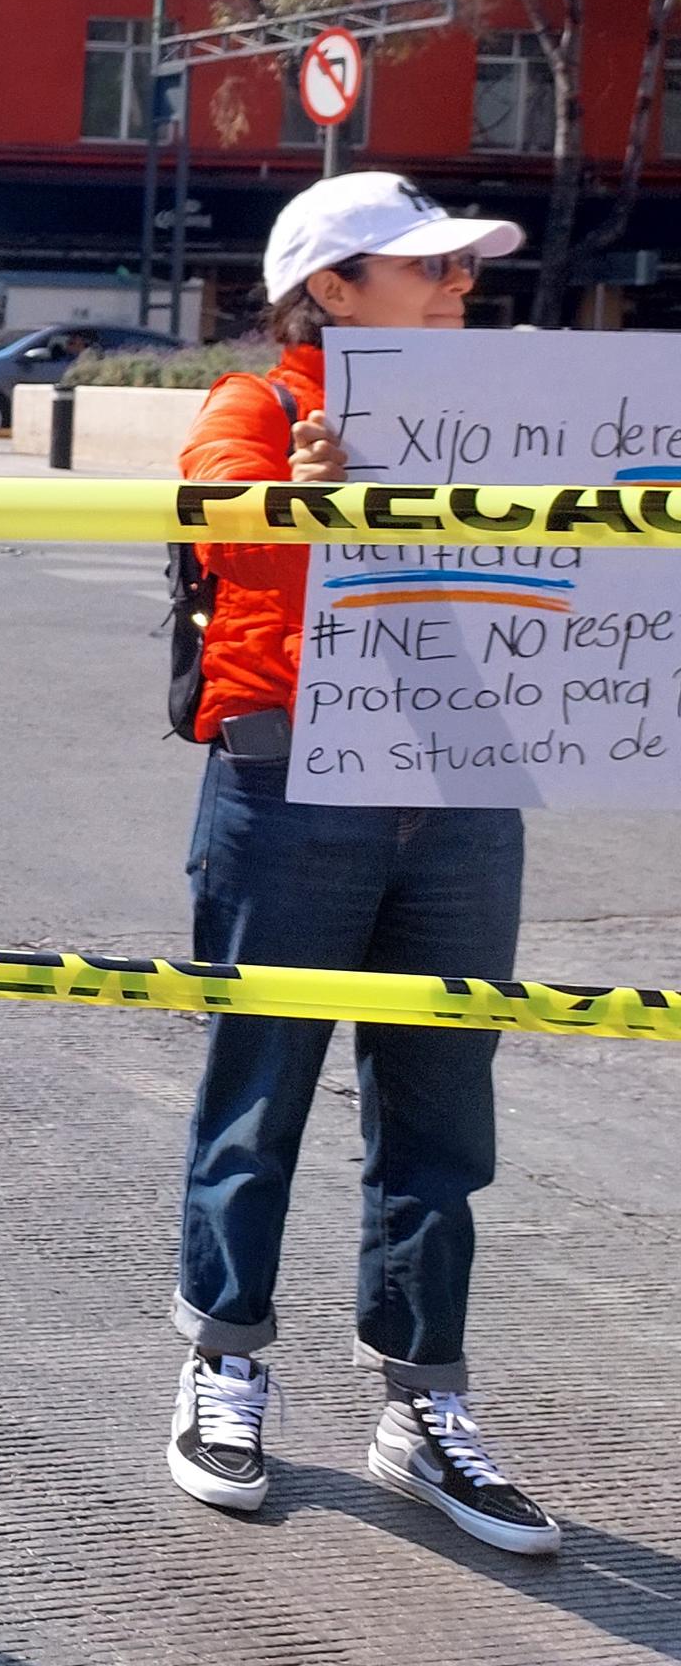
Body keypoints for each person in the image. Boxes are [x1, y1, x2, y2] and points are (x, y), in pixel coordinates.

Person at [161, 171, 555, 1553]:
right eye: (427, 269)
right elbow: (211, 504)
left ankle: (423, 1401)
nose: (460, 288)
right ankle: (225, 1361)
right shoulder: (257, 410)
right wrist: (303, 496)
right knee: (258, 1090)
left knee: (442, 1110)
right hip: (294, 785)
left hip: (467, 783)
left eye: (461, 271)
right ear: (331, 290)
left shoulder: (509, 419)